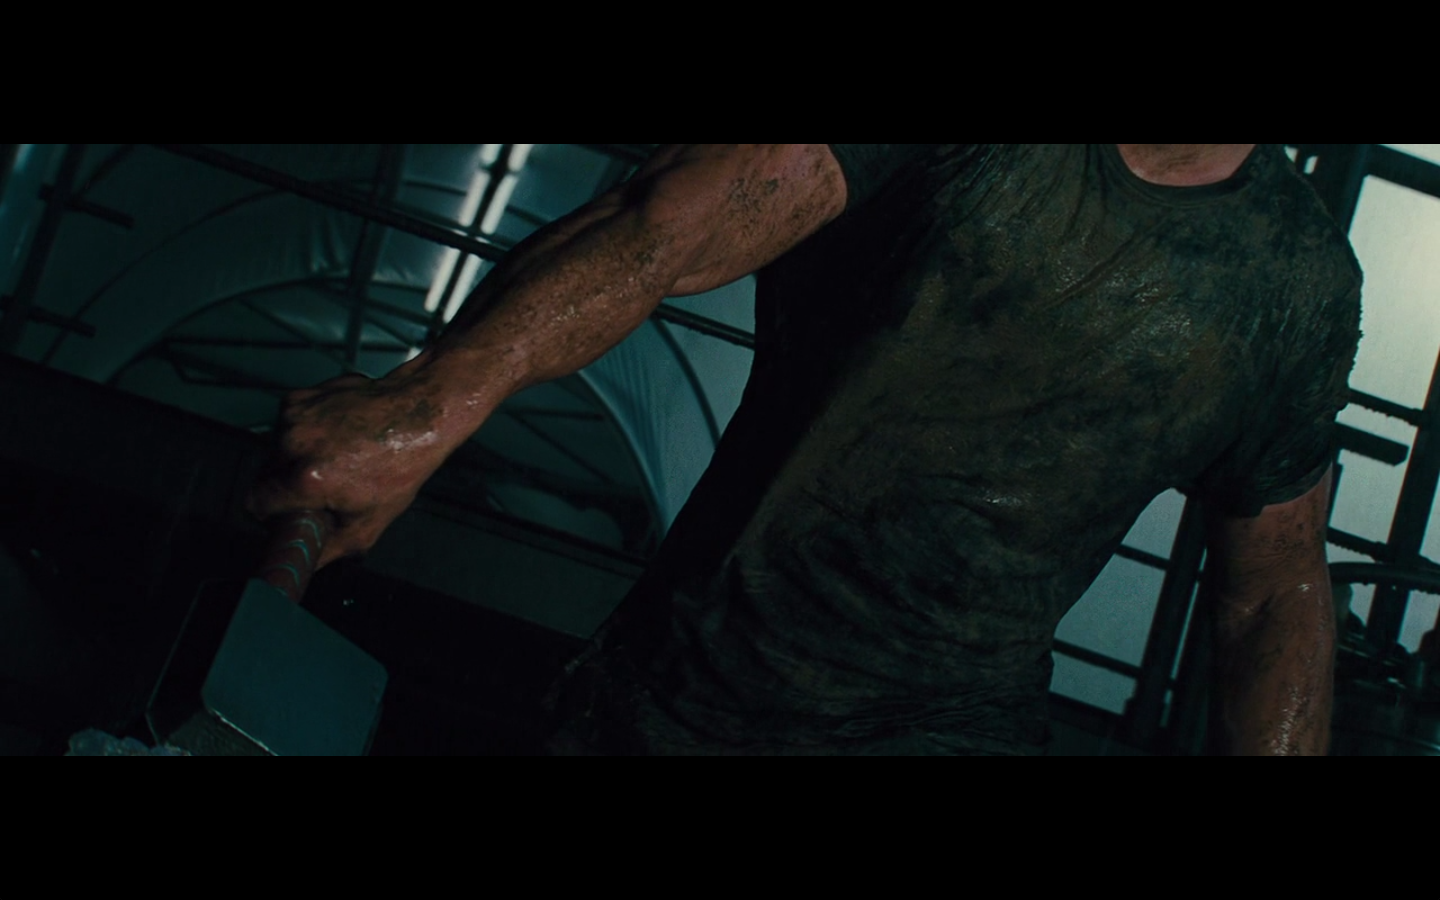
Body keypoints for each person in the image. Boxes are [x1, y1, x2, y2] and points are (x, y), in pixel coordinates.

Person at [249, 145, 1363, 756]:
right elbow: (673, 221)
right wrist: (433, 401)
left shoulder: (1295, 285)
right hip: (675, 690)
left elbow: (1274, 585)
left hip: (948, 723)